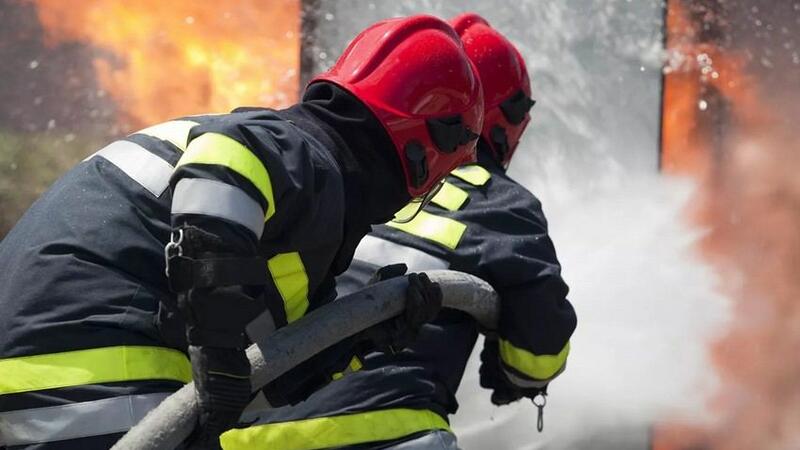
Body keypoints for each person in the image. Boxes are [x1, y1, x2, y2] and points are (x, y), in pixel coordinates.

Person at [0, 15, 484, 449]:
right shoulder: (303, 153)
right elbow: (225, 163)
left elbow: (256, 385)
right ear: (426, 147)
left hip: (40, 386)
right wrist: (216, 345)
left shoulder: (293, 212)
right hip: (92, 380)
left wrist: (362, 337)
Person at [222, 13, 577, 450]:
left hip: (239, 433)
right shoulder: (499, 203)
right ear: (504, 117)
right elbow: (538, 354)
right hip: (385, 434)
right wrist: (512, 368)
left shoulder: (328, 178)